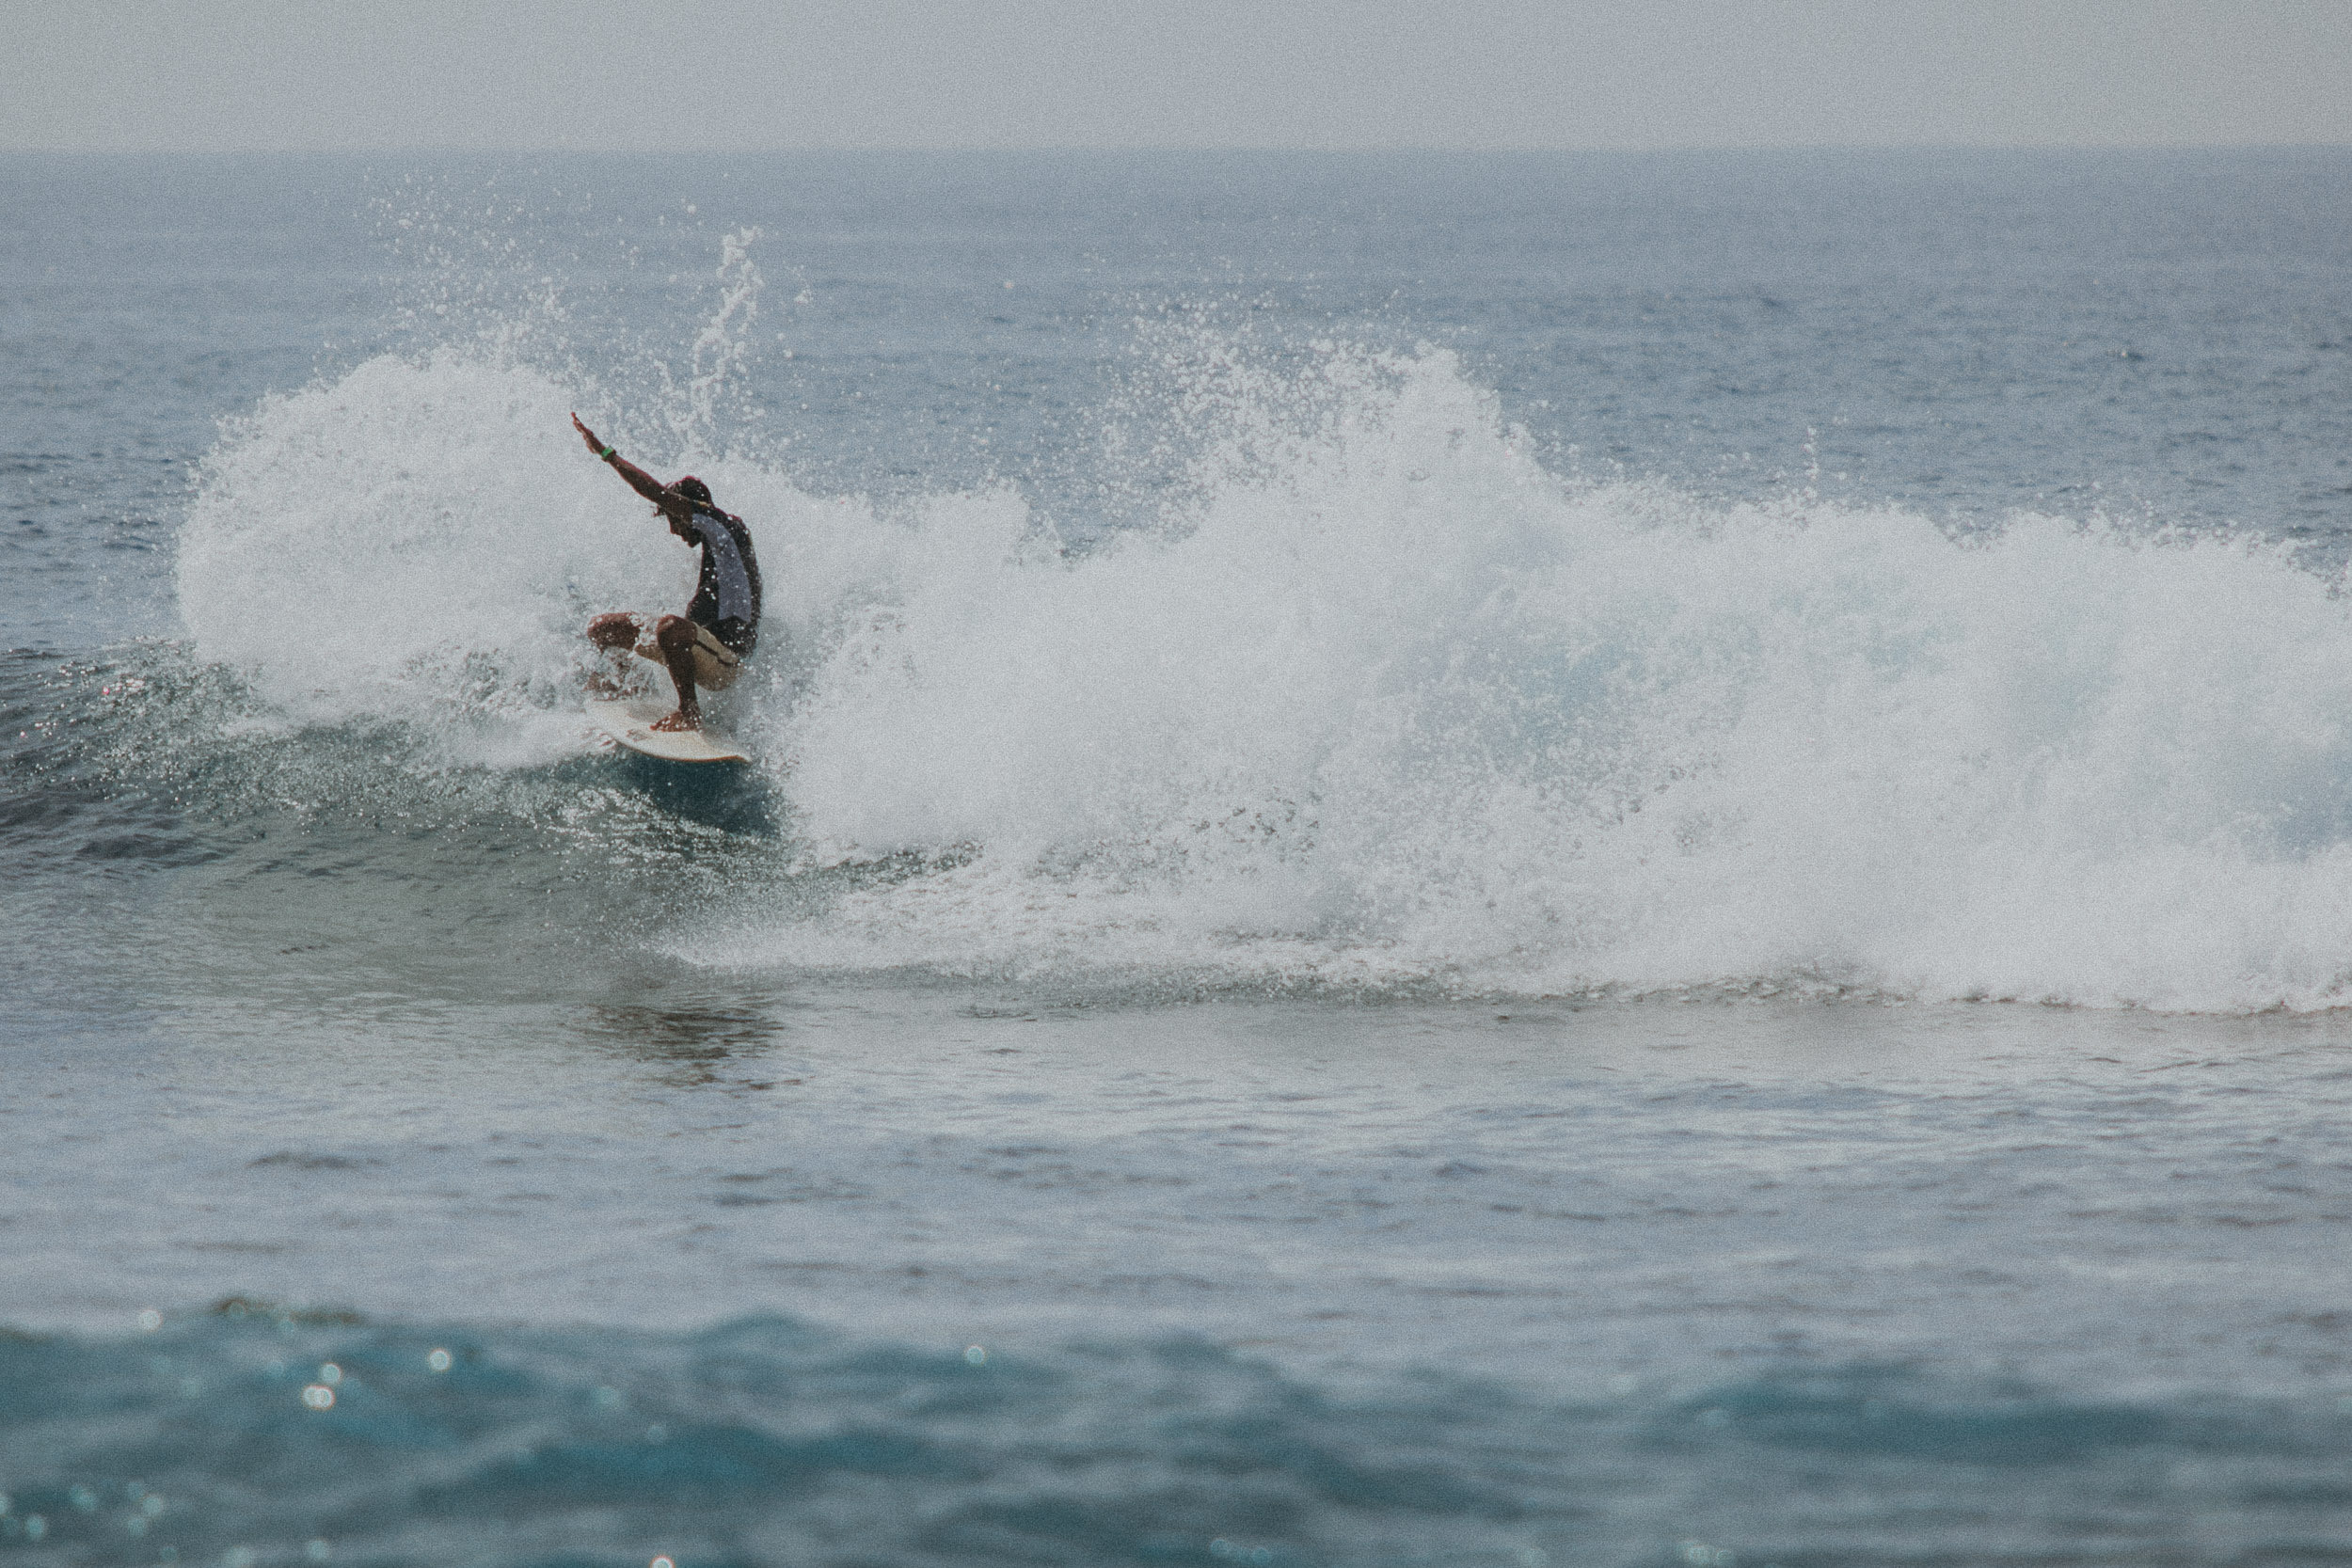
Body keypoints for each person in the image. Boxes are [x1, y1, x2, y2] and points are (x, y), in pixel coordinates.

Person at [571, 413, 762, 733]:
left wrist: (607, 454)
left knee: (670, 627)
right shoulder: (717, 546)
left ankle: (689, 713)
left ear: (692, 510)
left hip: (725, 660)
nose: (673, 529)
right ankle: (626, 687)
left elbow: (655, 492)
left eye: (674, 517)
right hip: (702, 649)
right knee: (601, 629)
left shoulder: (724, 526)